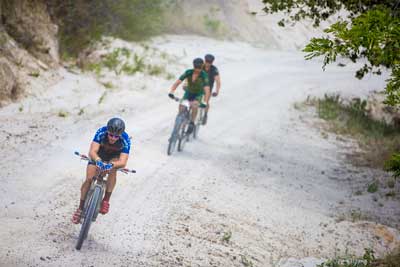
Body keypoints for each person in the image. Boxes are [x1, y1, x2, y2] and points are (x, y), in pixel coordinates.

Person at [72, 117, 131, 224]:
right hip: (99, 155)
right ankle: (80, 208)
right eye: (111, 135)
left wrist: (112, 164)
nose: (113, 138)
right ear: (107, 131)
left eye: (116, 136)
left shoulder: (125, 139)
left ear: (120, 135)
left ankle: (106, 200)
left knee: (114, 169)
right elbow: (93, 151)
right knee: (89, 179)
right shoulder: (101, 132)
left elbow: (123, 161)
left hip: (113, 158)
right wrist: (98, 160)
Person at [168, 58, 211, 134]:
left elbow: (207, 90)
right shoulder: (188, 72)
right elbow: (178, 82)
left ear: (202, 67)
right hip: (188, 92)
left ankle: (192, 122)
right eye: (196, 67)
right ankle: (176, 130)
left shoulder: (204, 75)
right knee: (181, 106)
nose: (197, 69)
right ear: (193, 66)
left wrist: (205, 102)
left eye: (199, 68)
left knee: (194, 106)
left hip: (198, 94)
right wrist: (172, 91)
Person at [202, 54, 221, 125]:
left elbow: (218, 81)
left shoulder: (214, 69)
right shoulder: (200, 66)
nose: (207, 63)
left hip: (208, 87)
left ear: (212, 62)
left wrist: (217, 91)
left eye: (209, 62)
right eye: (207, 61)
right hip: (198, 86)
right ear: (204, 60)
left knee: (206, 102)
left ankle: (205, 114)